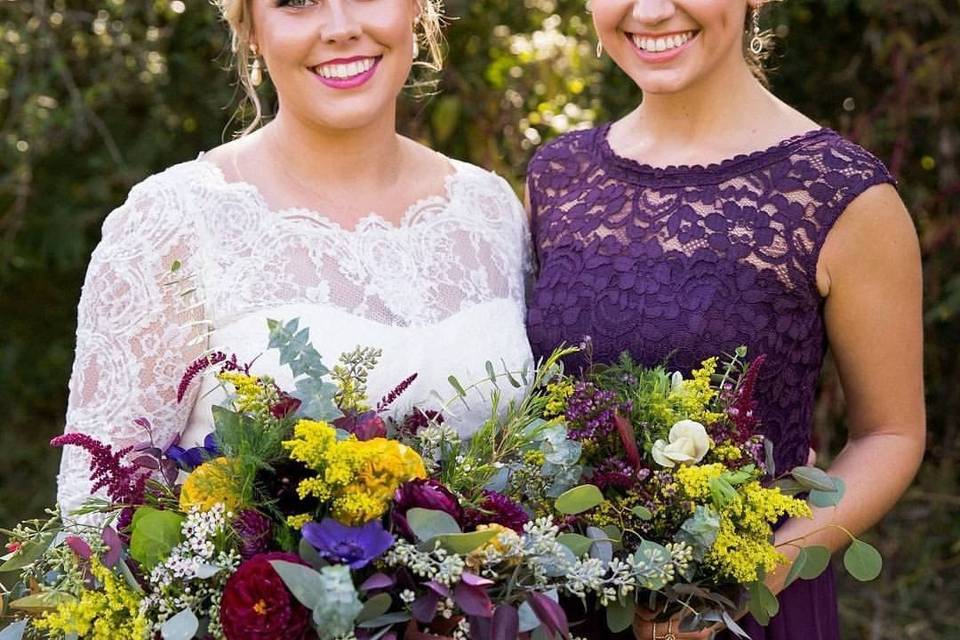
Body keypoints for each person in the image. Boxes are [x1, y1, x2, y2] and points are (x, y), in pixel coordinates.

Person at [524, 1, 925, 639]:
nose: (651, 10)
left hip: (738, 611)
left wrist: (744, 578)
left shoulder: (842, 194)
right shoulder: (556, 175)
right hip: (565, 604)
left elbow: (890, 434)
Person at [56, 0, 533, 516]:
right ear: (251, 30)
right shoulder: (173, 220)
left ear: (415, 9)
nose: (340, 28)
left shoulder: (490, 209)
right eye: (297, 2)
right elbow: (97, 510)